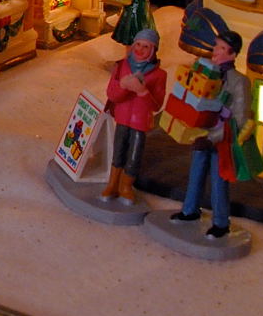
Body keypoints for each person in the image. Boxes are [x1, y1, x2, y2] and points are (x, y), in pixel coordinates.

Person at [171, 25, 251, 238]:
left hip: (221, 137)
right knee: (195, 173)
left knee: (218, 179)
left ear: (232, 54)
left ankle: (221, 222)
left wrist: (214, 137)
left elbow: (240, 118)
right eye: (216, 46)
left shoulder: (239, 81)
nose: (215, 51)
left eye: (221, 48)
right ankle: (189, 210)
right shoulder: (206, 73)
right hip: (201, 132)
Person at [102, 27, 166, 201]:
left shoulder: (159, 75)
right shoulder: (121, 66)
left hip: (140, 122)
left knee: (134, 155)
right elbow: (112, 94)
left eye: (146, 46)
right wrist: (123, 86)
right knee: (118, 151)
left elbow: (156, 105)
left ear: (153, 50)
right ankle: (112, 183)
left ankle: (126, 186)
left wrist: (142, 92)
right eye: (138, 44)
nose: (140, 49)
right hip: (122, 118)